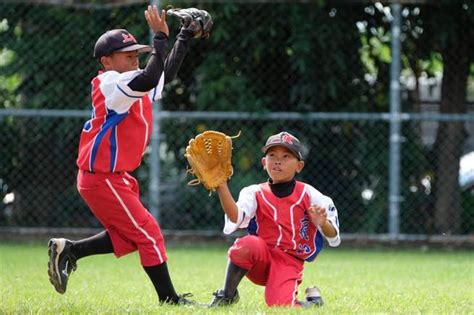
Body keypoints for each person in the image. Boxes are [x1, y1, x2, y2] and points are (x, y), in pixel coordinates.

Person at [47, 5, 202, 305]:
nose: (134, 58)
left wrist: (184, 36)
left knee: (130, 235)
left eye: (136, 54)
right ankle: (170, 300)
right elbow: (149, 78)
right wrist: (159, 37)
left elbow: (161, 76)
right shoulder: (111, 83)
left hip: (111, 177)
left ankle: (71, 250)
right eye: (127, 54)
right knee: (149, 233)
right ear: (106, 61)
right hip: (101, 178)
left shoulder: (129, 82)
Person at [209, 131, 341, 308]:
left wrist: (322, 223)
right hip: (261, 258)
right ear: (264, 163)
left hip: (289, 261)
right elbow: (235, 217)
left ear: (299, 166)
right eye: (272, 155)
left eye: (286, 156)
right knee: (245, 245)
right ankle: (227, 295)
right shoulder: (253, 192)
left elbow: (334, 238)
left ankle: (314, 303)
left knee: (280, 306)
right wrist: (221, 186)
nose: (278, 161)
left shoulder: (311, 195)